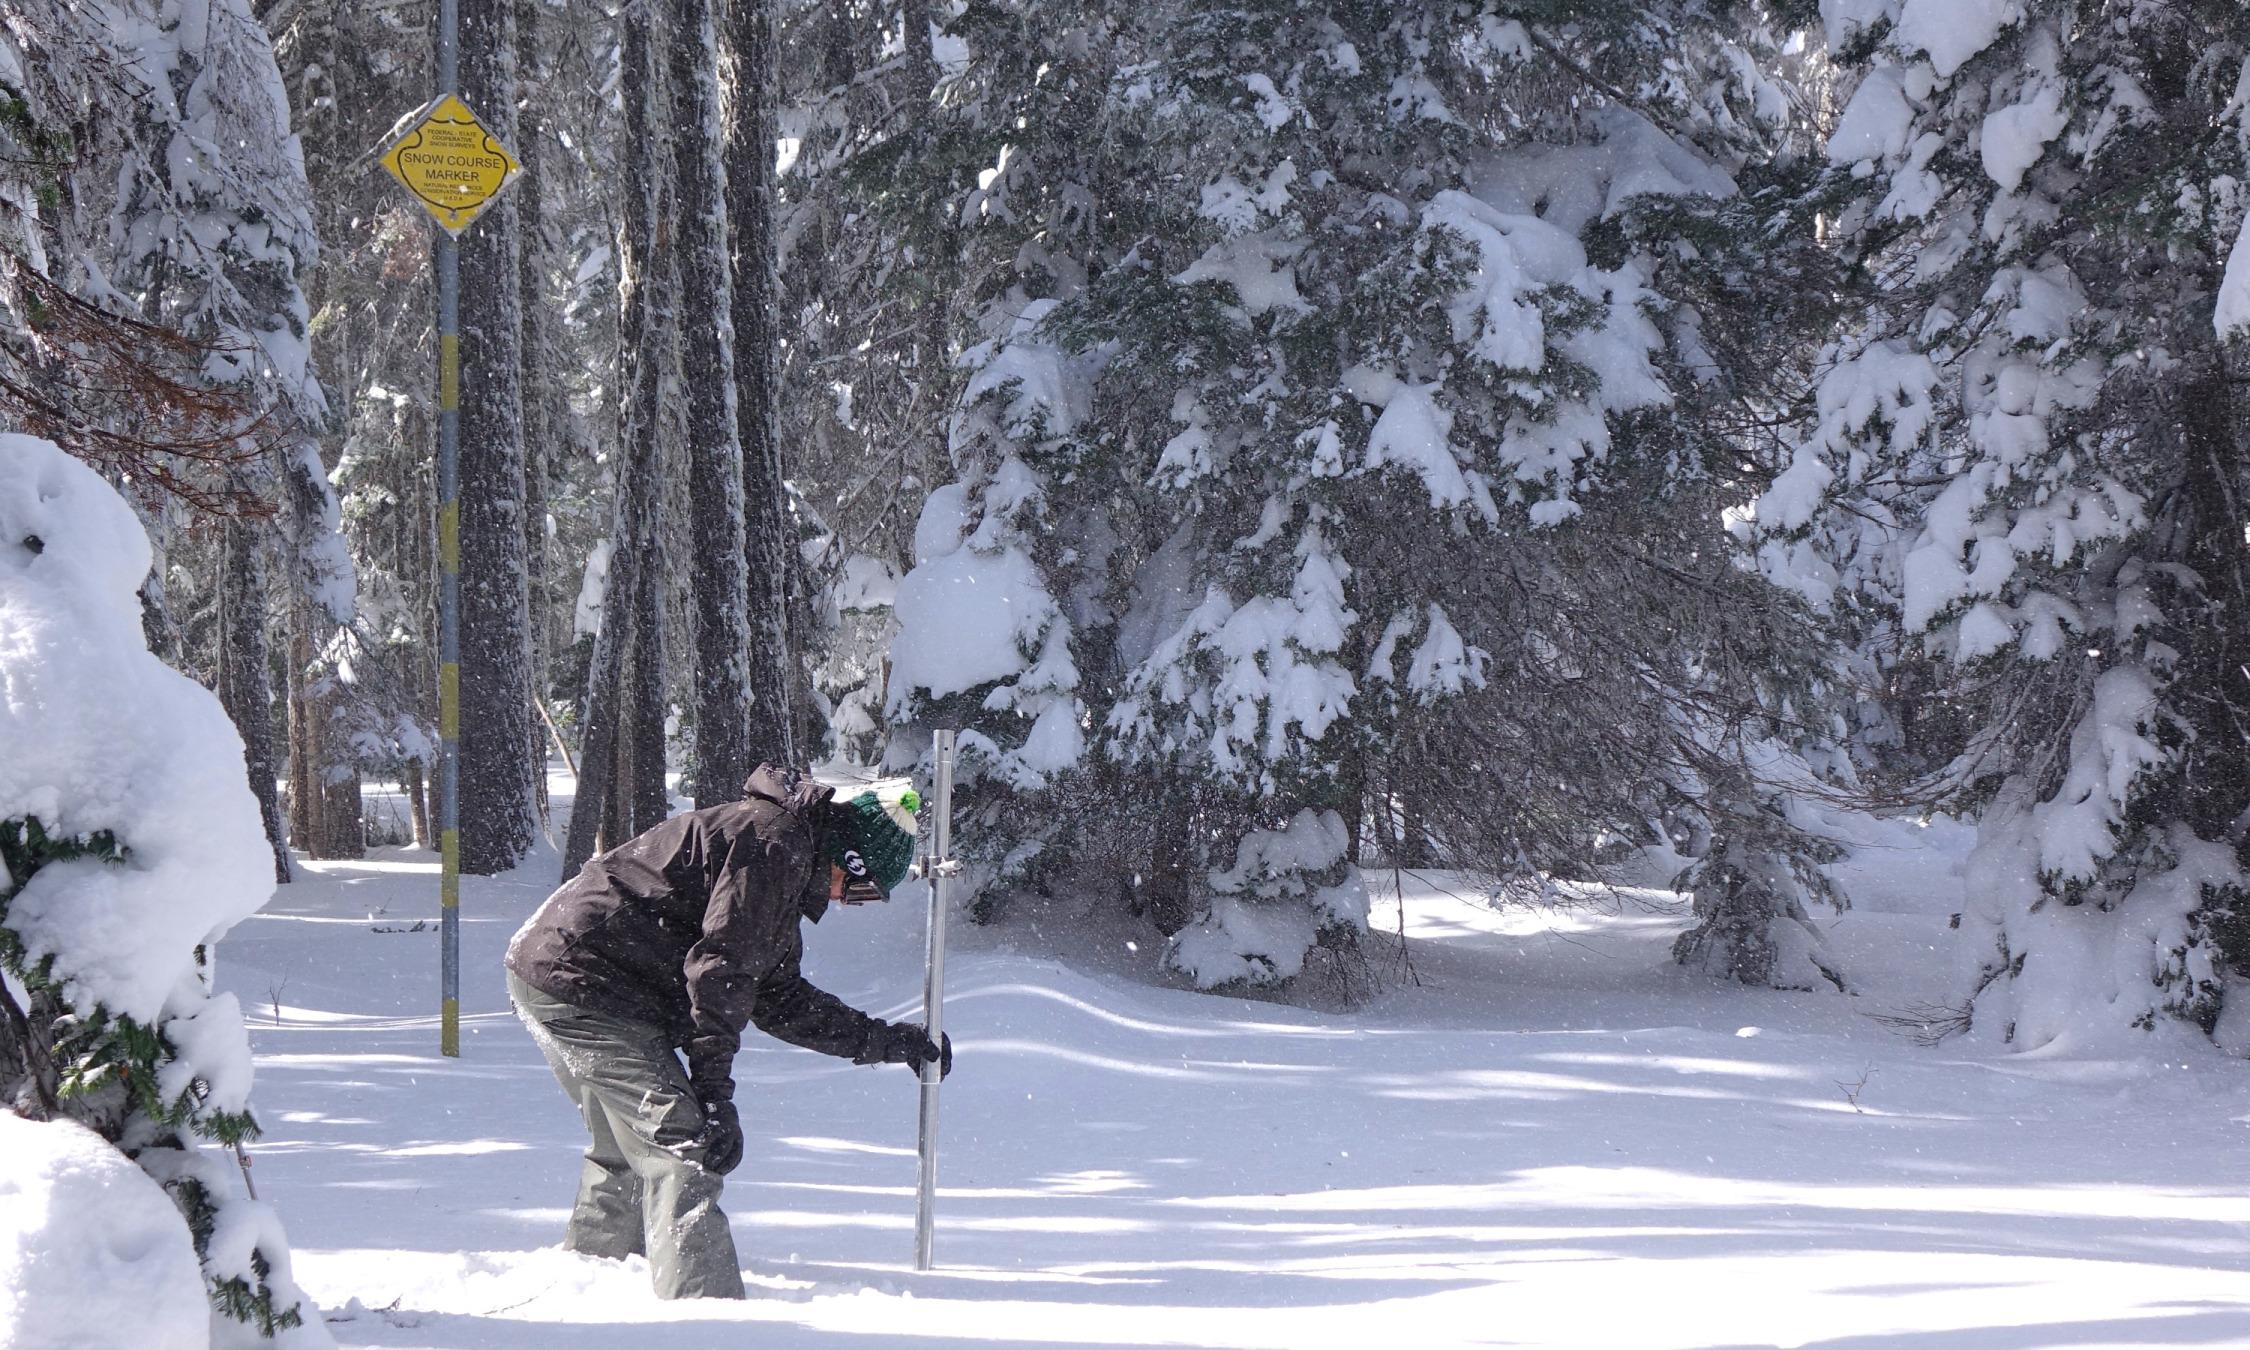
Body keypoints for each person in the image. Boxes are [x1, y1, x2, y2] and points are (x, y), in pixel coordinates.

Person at [504, 763, 952, 1300]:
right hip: (587, 983)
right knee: (682, 1144)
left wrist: (885, 1040)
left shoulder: (781, 851)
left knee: (627, 1146)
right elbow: (721, 973)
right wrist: (713, 1098)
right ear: (849, 860)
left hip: (562, 972)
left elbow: (778, 997)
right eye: (858, 892)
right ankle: (705, 1314)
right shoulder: (773, 848)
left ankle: (594, 1281)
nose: (843, 902)